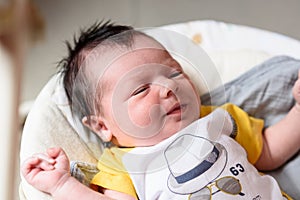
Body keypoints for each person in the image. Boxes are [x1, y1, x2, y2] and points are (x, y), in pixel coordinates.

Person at [21, 21, 300, 200]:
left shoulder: (218, 119)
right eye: (141, 89)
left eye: (175, 73)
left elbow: (268, 150)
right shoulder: (121, 166)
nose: (168, 87)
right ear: (103, 126)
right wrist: (61, 186)